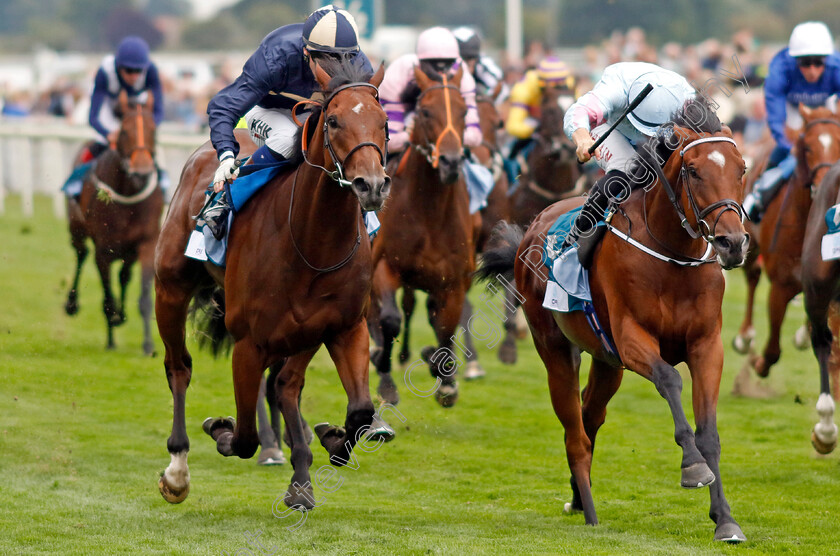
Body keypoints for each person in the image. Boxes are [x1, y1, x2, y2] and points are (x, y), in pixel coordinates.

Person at [203, 5, 373, 238]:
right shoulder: (276, 55)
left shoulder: (359, 64)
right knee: (287, 138)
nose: (337, 69)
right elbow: (222, 106)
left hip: (316, 115)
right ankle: (226, 196)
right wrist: (225, 155)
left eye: (343, 59)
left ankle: (366, 214)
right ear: (306, 52)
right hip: (269, 112)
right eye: (327, 60)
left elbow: (366, 119)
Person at [556, 61, 696, 260]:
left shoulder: (687, 98)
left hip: (664, 134)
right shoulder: (615, 89)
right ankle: (573, 241)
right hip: (610, 127)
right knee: (625, 169)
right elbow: (577, 112)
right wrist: (582, 139)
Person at [742, 21, 840, 222]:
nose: (812, 69)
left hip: (828, 107)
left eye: (818, 62)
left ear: (827, 60)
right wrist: (789, 146)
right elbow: (776, 119)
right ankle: (759, 193)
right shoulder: (779, 69)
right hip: (793, 111)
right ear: (795, 61)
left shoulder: (836, 66)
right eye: (805, 63)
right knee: (786, 153)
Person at [63, 36, 166, 198]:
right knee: (101, 144)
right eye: (129, 70)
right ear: (119, 67)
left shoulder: (151, 71)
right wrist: (108, 134)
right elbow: (93, 117)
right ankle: (77, 180)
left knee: (145, 145)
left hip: (136, 111)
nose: (134, 76)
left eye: (138, 71)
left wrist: (147, 129)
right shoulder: (105, 72)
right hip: (110, 110)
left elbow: (159, 111)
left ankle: (163, 181)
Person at [379, 26, 483, 157]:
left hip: (450, 147)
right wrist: (413, 134)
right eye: (432, 63)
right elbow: (387, 143)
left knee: (482, 175)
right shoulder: (399, 72)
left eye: (448, 64)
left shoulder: (463, 76)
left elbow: (475, 137)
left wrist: (446, 136)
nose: (441, 71)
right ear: (420, 60)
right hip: (407, 133)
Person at [503, 56, 575, 183]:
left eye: (559, 87)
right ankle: (513, 183)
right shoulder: (524, 88)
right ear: (542, 83)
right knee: (508, 153)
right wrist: (538, 128)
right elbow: (513, 126)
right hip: (534, 124)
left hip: (559, 126)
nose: (555, 91)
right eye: (553, 87)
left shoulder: (569, 84)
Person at [452, 26, 508, 101]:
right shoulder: (448, 68)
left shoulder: (483, 66)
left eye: (470, 59)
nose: (465, 65)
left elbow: (502, 91)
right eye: (462, 59)